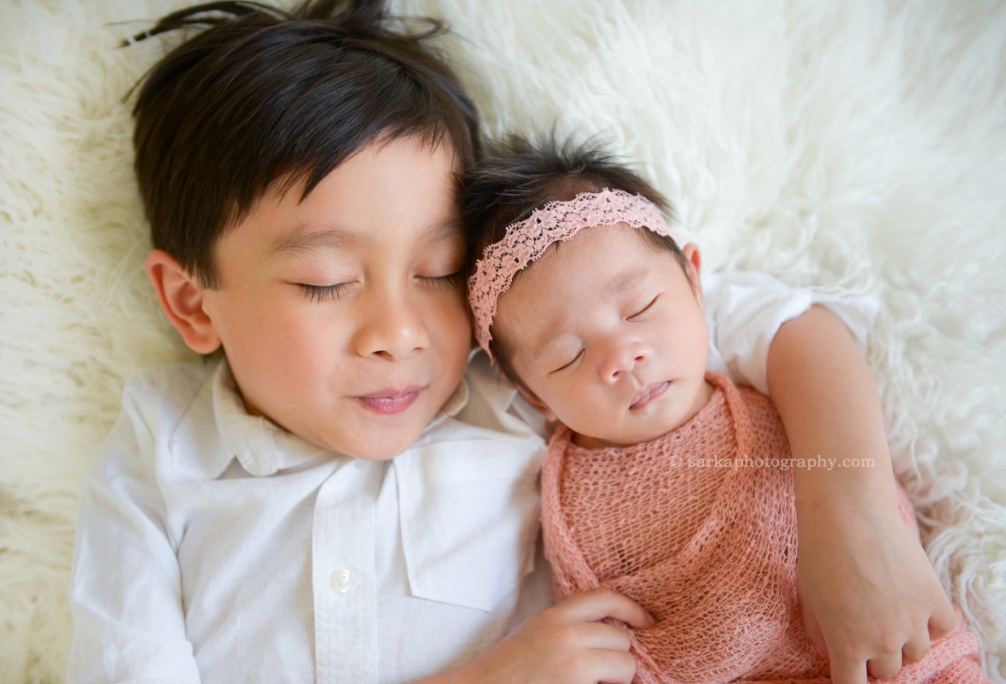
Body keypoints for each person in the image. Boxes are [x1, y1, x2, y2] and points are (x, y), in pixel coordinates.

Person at [67, 1, 956, 682]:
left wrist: (857, 522)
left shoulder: (522, 365)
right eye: (325, 283)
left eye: (440, 270)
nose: (400, 334)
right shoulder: (161, 453)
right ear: (191, 304)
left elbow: (785, 325)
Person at [463, 136, 987, 683]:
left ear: (693, 279)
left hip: (894, 646)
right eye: (569, 355)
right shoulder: (558, 494)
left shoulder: (740, 356)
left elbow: (810, 339)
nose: (623, 356)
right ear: (532, 396)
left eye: (640, 307)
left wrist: (853, 522)